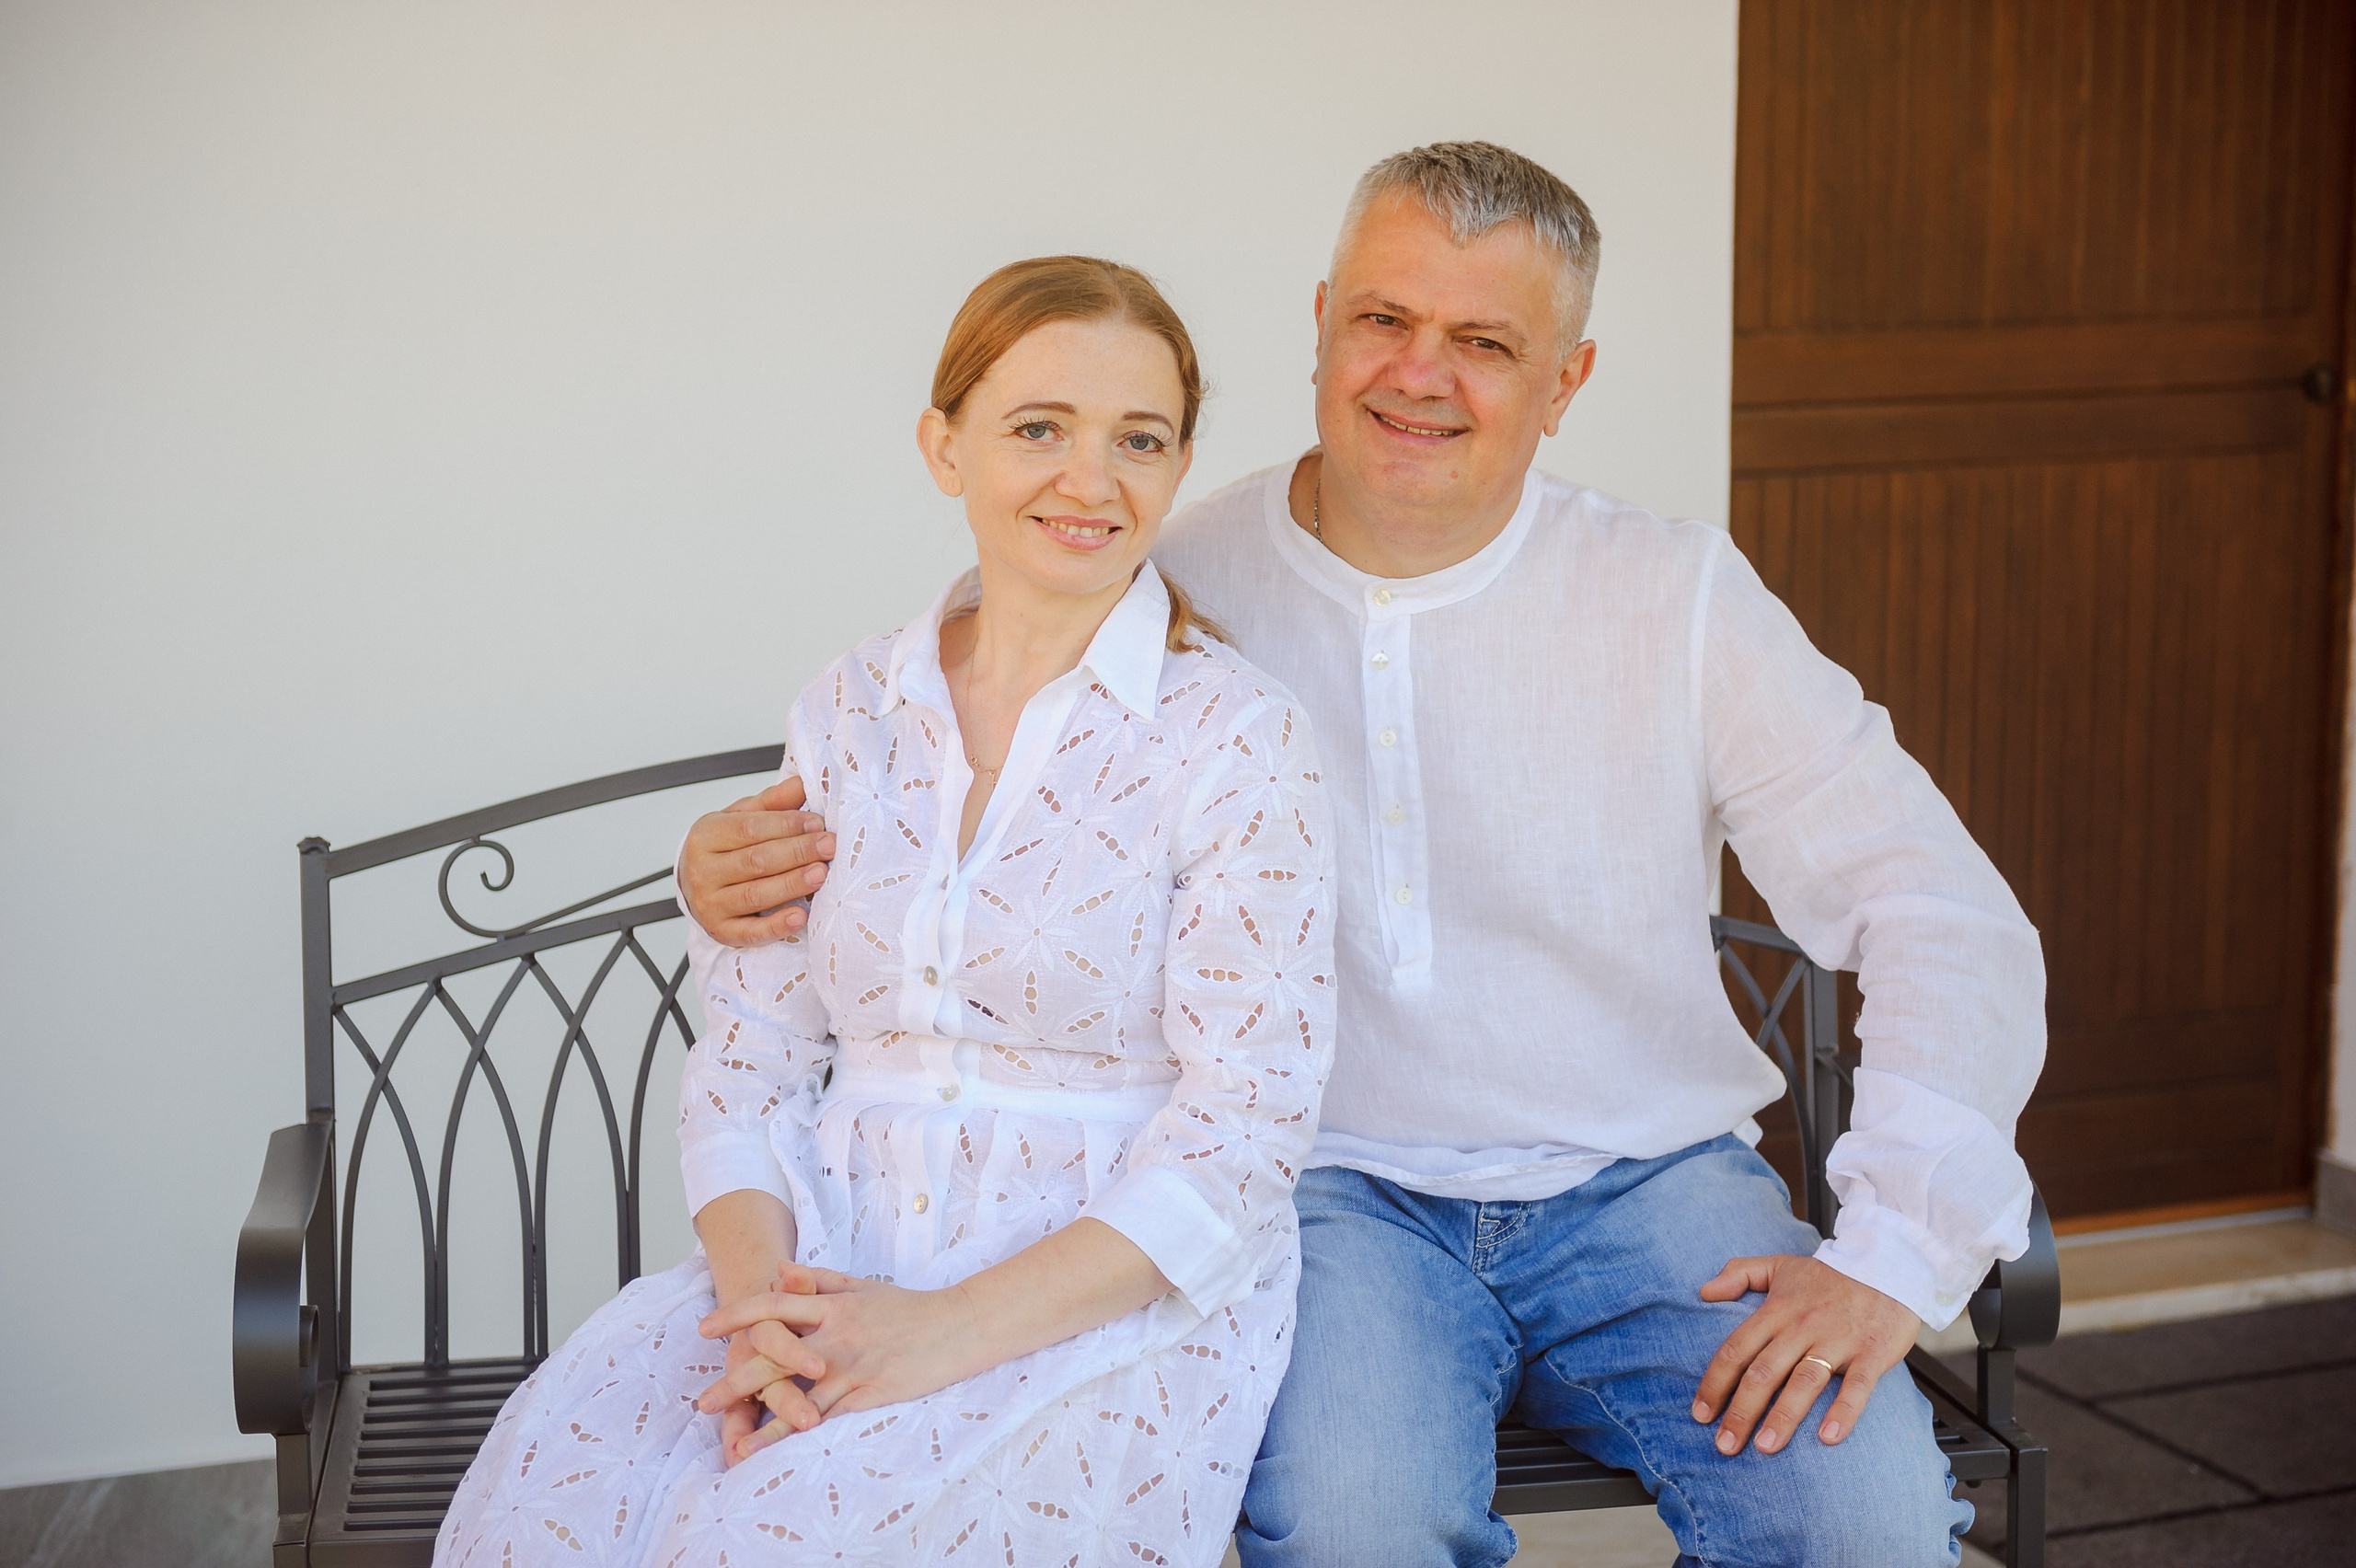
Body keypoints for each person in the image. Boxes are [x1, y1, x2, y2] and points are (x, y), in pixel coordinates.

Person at [679, 143, 2047, 1567]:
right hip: (1327, 1201)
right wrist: (727, 872)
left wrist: (1893, 1252)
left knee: (1867, 1530)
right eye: (1385, 321)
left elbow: (1939, 906)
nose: (1418, 374)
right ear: (1323, 320)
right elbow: (951, 722)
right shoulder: (1177, 575)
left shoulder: (1675, 596)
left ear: (1567, 381)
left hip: (1650, 1190)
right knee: (1351, 1532)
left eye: (1485, 342)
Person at [436, 256, 1336, 1568]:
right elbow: (748, 1063)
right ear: (944, 446)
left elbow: (1244, 1136)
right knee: (571, 1515)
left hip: (1096, 1295)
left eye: (1139, 440)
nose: (1092, 481)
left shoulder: (1237, 738)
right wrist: (763, 1319)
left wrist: (934, 1333)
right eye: (1039, 428)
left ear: (1180, 465)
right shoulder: (850, 711)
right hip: (822, 1259)